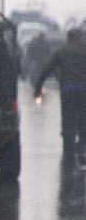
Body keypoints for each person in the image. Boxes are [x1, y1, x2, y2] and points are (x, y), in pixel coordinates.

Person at [33, 28, 86, 163]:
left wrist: (38, 87)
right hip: (83, 91)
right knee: (83, 119)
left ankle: (68, 151)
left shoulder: (61, 51)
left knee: (68, 120)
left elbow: (46, 69)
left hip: (67, 90)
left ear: (68, 38)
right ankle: (82, 147)